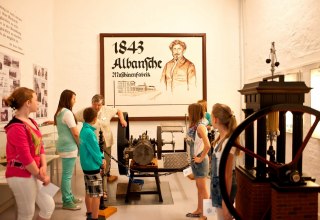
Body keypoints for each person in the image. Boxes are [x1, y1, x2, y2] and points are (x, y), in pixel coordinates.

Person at [3, 87, 55, 220]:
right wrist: (41, 176)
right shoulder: (15, 127)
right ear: (27, 103)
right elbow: (25, 157)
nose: (38, 103)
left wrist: (43, 166)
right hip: (20, 175)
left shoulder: (32, 122)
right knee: (26, 213)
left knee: (48, 205)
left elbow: (40, 146)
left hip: (34, 172)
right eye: (36, 100)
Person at [75, 94, 127, 200]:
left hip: (106, 141)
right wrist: (55, 122)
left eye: (99, 105)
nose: (97, 107)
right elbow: (72, 118)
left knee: (106, 165)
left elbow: (118, 110)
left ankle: (105, 186)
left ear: (102, 104)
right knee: (99, 166)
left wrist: (122, 120)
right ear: (91, 103)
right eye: (95, 105)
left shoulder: (107, 110)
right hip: (94, 143)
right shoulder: (87, 112)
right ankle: (101, 190)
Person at [54, 89, 81, 210]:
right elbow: (75, 133)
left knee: (67, 174)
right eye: (73, 98)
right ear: (68, 99)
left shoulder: (59, 112)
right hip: (69, 147)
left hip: (63, 145)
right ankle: (67, 201)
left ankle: (69, 196)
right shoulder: (67, 113)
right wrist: (81, 145)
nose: (75, 101)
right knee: (67, 175)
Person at [210, 103, 239, 220]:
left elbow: (227, 175)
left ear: (216, 119)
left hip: (225, 187)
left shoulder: (228, 142)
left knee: (224, 218)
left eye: (211, 117)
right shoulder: (221, 139)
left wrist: (225, 201)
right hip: (218, 185)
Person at [79, 107, 106, 220]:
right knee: (96, 195)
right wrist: (101, 162)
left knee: (88, 191)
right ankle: (95, 217)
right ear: (95, 119)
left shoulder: (83, 130)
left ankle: (89, 213)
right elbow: (95, 151)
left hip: (86, 166)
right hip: (92, 167)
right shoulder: (90, 133)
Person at [185, 103, 210, 220]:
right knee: (199, 187)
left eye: (190, 112)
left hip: (200, 161)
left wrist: (200, 158)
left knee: (203, 188)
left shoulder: (200, 126)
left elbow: (208, 145)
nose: (188, 114)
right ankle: (200, 210)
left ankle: (207, 214)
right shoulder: (194, 125)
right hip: (195, 160)